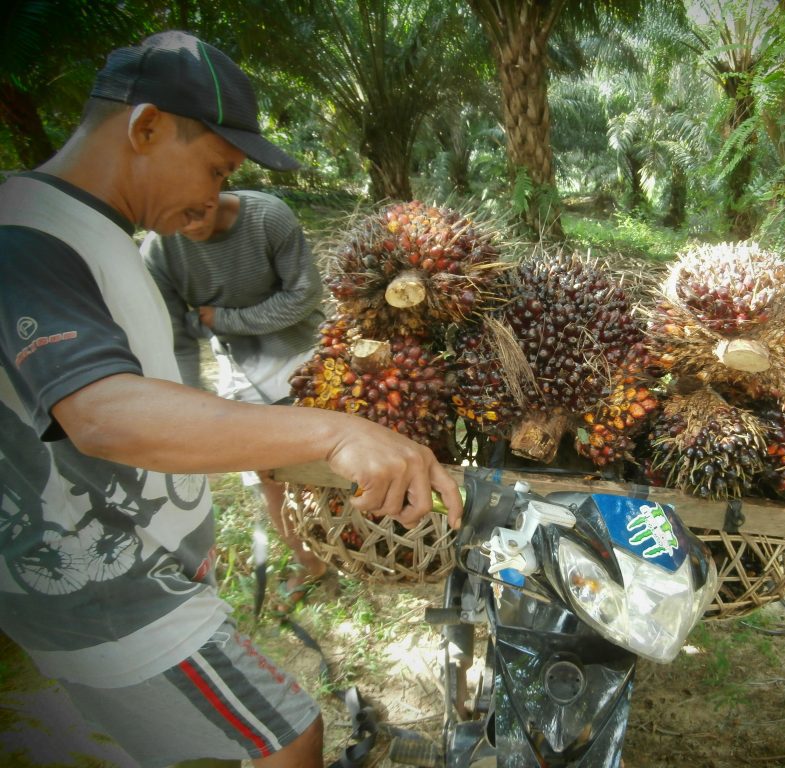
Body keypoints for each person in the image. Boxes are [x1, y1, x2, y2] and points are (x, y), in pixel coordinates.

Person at [0, 30, 462, 768]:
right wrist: (333, 432)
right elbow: (102, 413)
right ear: (145, 127)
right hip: (110, 594)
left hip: (140, 568)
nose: (216, 195)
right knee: (286, 737)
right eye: (215, 167)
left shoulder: (96, 234)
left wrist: (185, 517)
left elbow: (149, 394)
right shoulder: (28, 233)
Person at [141, 190, 330, 604]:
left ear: (215, 182)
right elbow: (177, 341)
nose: (192, 224)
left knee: (334, 463)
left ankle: (356, 548)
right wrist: (188, 409)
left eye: (201, 209)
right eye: (180, 216)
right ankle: (310, 561)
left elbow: (304, 296)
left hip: (307, 355)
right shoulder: (157, 251)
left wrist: (224, 319)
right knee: (270, 479)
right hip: (242, 371)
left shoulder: (268, 217)